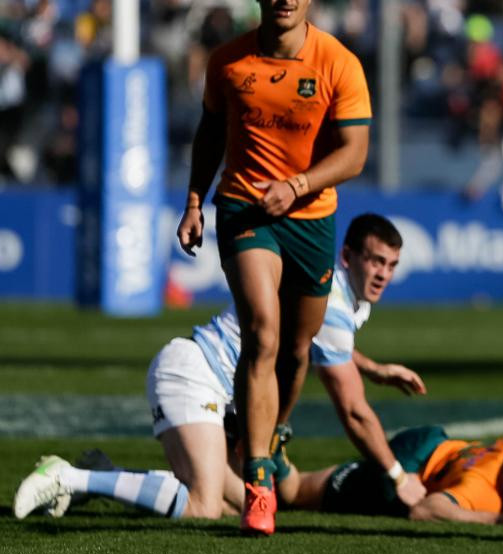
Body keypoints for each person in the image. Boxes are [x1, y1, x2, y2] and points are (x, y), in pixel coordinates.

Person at [14, 215, 427, 523]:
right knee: (205, 505)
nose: (382, 274)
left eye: (390, 265)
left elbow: (313, 337)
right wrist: (396, 475)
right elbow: (354, 412)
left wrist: (372, 368)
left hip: (213, 385)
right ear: (348, 256)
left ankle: (101, 474)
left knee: (237, 505)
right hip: (194, 375)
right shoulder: (335, 307)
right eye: (375, 261)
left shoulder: (335, 293)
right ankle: (68, 477)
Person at [175, 0, 371, 535]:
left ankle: (272, 432)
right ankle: (259, 479)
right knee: (261, 331)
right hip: (245, 210)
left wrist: (300, 184)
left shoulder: (338, 62)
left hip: (311, 218)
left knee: (296, 350)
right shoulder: (228, 62)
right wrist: (193, 200)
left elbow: (355, 153)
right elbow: (210, 135)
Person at [279, 425, 503, 526]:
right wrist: (497, 518)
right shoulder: (482, 488)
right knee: (293, 493)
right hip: (410, 468)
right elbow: (425, 509)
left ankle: (237, 481)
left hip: (437, 444)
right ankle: (263, 440)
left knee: (237, 505)